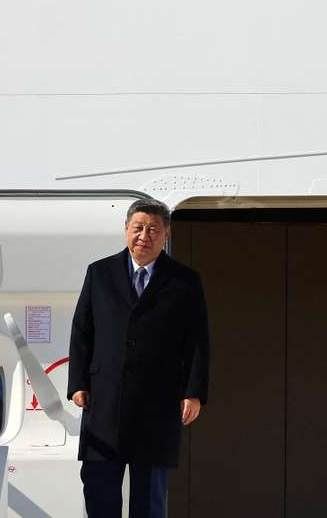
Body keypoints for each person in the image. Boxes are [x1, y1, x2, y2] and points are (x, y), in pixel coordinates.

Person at [68, 198, 210, 518]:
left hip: (156, 405)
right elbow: (82, 331)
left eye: (153, 229)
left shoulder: (185, 282)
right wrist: (77, 382)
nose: (144, 235)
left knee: (149, 501)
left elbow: (197, 341)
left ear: (166, 235)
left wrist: (193, 392)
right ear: (126, 231)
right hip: (104, 402)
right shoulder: (99, 273)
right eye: (138, 228)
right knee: (100, 493)